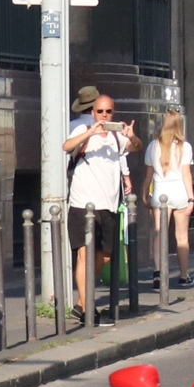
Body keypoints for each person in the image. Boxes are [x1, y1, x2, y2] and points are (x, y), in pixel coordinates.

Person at [62, 92, 136, 324]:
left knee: (104, 255)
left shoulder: (116, 137)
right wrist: (89, 132)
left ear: (114, 112)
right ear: (93, 113)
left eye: (108, 111)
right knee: (84, 255)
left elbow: (136, 147)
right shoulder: (82, 132)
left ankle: (82, 304)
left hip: (109, 206)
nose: (104, 115)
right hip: (83, 205)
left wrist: (132, 137)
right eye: (100, 111)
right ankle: (88, 311)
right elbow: (66, 146)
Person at [145, 108, 194, 288]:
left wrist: (145, 194)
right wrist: (191, 198)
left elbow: (148, 175)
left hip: (160, 192)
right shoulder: (185, 146)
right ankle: (183, 275)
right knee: (182, 237)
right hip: (180, 191)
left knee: (159, 235)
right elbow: (186, 174)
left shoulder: (153, 146)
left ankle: (158, 273)